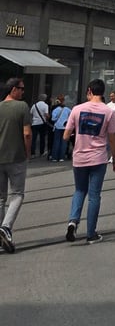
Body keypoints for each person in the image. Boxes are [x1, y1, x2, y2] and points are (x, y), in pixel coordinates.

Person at [63, 78, 115, 244]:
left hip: (79, 157)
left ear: (89, 91)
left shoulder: (77, 109)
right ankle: (91, 233)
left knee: (80, 190)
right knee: (94, 195)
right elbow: (113, 139)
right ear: (103, 92)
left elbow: (65, 136)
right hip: (98, 158)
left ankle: (73, 221)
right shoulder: (109, 112)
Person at [0, 78, 32, 253]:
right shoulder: (22, 107)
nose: (23, 92)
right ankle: (5, 227)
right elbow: (27, 133)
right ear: (13, 89)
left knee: (0, 198)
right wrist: (28, 153)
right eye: (21, 89)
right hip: (16, 157)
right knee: (18, 194)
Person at [50, 95, 72, 162]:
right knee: (64, 142)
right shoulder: (68, 109)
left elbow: (53, 119)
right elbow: (71, 117)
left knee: (56, 142)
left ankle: (54, 157)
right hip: (65, 127)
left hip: (57, 127)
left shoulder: (55, 110)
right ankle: (61, 157)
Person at [29, 93, 50, 158]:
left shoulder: (34, 105)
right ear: (45, 99)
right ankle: (42, 152)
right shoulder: (45, 105)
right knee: (42, 138)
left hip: (35, 123)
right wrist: (48, 117)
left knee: (34, 139)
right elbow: (46, 115)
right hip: (42, 123)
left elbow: (31, 113)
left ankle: (32, 153)